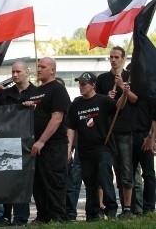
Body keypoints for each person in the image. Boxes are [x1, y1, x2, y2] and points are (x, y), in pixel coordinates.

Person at [66, 72, 122, 221]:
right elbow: (71, 127)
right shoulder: (76, 104)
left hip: (103, 147)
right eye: (80, 84)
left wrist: (124, 92)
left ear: (93, 85)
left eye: (84, 84)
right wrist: (69, 147)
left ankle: (111, 210)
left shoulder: (103, 100)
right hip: (84, 150)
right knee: (90, 183)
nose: (81, 87)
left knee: (105, 177)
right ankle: (92, 214)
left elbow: (119, 106)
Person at [23, 57, 70, 224]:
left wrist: (42, 141)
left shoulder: (58, 89)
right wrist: (29, 106)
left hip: (53, 145)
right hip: (36, 146)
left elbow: (57, 118)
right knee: (39, 182)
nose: (39, 69)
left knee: (54, 181)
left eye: (43, 66)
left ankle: (58, 216)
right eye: (38, 66)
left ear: (52, 70)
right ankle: (43, 216)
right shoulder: (36, 91)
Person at [0, 60, 36, 226]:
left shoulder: (36, 92)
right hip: (7, 143)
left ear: (27, 72)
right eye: (13, 72)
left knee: (23, 182)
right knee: (8, 181)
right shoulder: (5, 94)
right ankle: (5, 216)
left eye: (18, 72)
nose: (15, 75)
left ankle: (20, 217)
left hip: (28, 144)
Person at [95, 46, 137, 218]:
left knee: (125, 170)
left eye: (116, 57)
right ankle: (103, 207)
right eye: (111, 57)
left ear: (123, 59)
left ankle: (127, 208)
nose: (113, 60)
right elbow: (96, 102)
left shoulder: (130, 77)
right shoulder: (103, 78)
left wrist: (123, 87)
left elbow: (135, 100)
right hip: (107, 130)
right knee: (104, 169)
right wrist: (106, 98)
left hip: (125, 130)